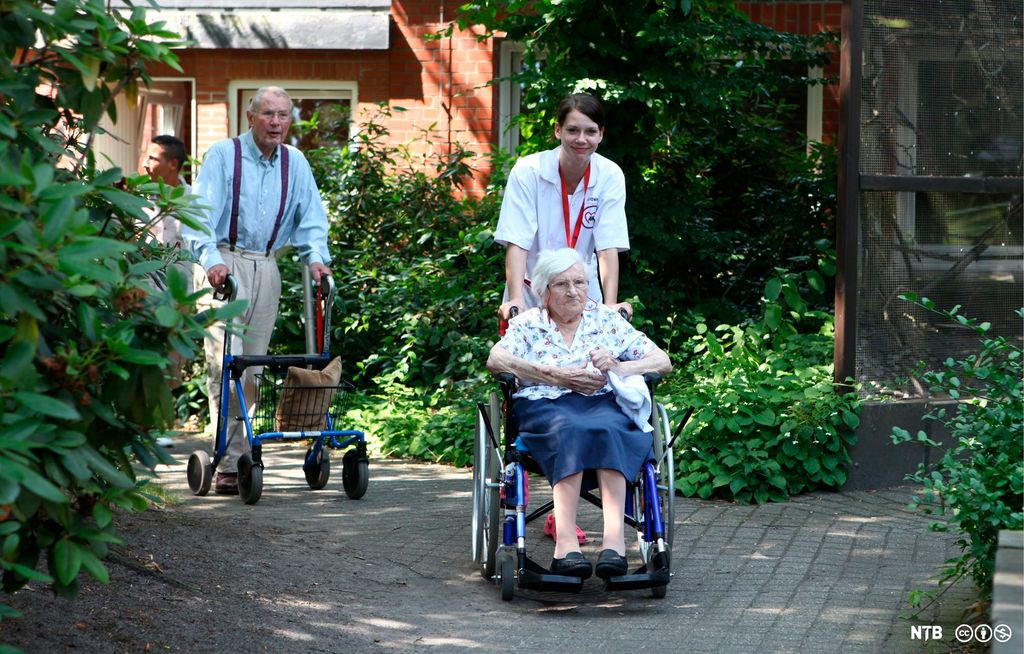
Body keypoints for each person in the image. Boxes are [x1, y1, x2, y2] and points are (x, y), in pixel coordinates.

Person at [486, 248, 672, 579]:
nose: (573, 292)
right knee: (569, 429)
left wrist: (619, 366)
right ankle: (566, 546)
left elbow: (661, 361)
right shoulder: (528, 324)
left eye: (580, 283)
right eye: (562, 284)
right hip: (546, 404)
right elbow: (496, 360)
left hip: (602, 403)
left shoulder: (605, 320)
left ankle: (614, 544)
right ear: (543, 291)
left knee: (612, 428)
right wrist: (554, 375)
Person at [183, 86, 332, 495]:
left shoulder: (295, 163)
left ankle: (241, 454)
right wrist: (210, 260)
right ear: (250, 117)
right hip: (225, 263)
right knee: (226, 365)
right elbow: (199, 217)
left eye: (283, 115)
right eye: (268, 114)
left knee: (253, 368)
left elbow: (311, 219)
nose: (276, 123)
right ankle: (230, 462)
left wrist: (316, 258)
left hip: (267, 264)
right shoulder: (223, 156)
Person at [495, 93, 633, 323]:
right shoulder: (528, 171)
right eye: (572, 130)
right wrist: (516, 298)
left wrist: (610, 304)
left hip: (582, 294)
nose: (581, 139)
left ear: (601, 134)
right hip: (532, 293)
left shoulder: (610, 175)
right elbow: (517, 240)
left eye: (590, 131)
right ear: (558, 130)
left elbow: (607, 245)